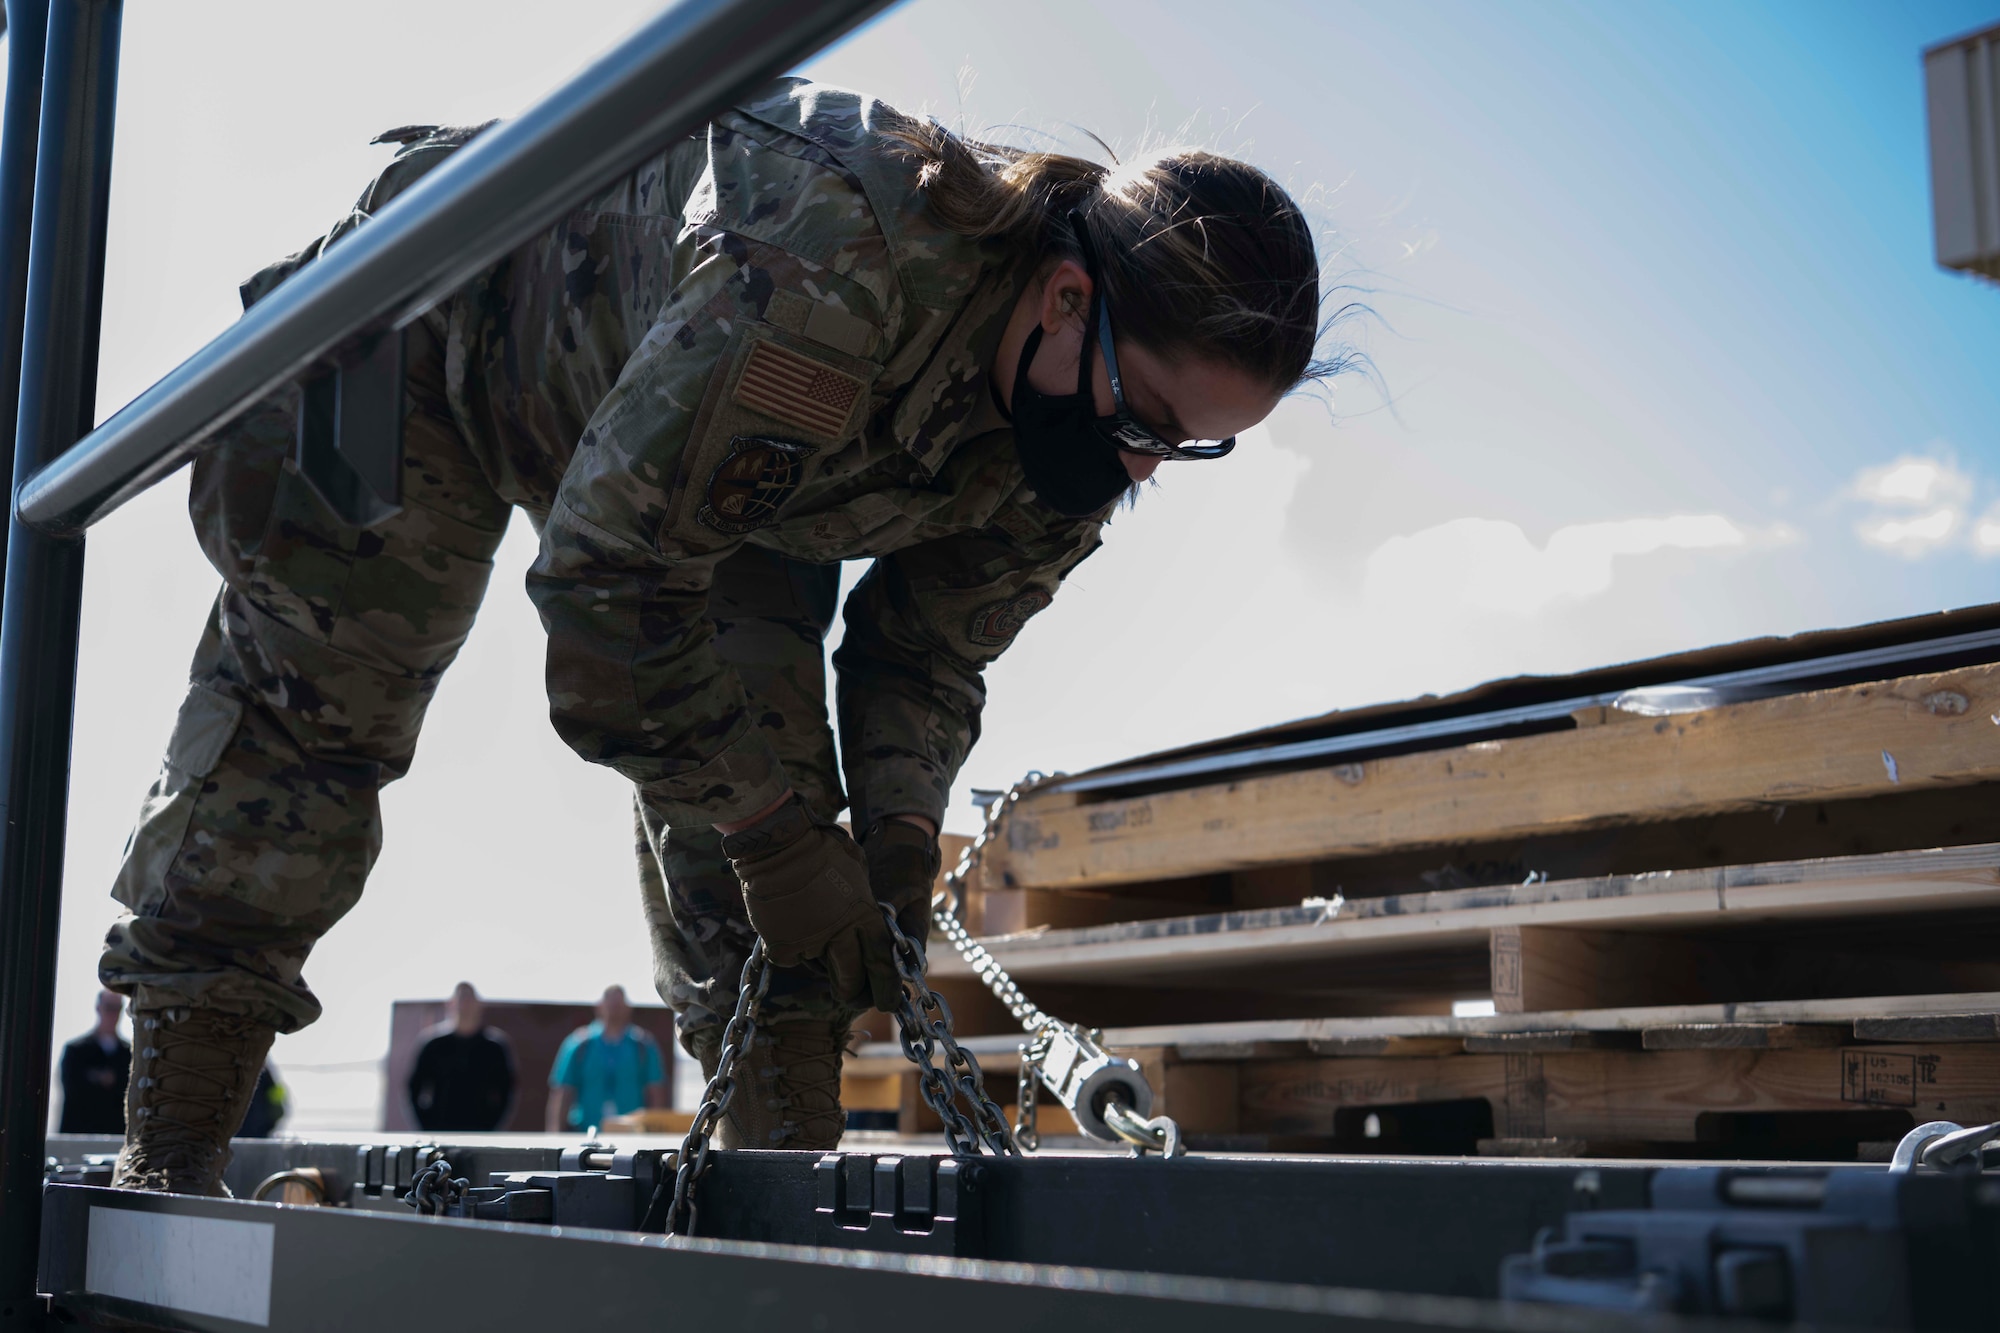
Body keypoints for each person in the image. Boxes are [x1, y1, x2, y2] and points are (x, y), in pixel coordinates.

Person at [97, 76, 1334, 1194]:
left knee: (784, 825)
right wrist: (773, 837)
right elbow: (603, 588)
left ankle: (784, 1200)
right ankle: (175, 1145)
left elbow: (928, 653)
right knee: (317, 715)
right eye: (1152, 419)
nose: (1145, 466)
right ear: (1069, 297)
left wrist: (894, 837)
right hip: (418, 329)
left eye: (1190, 446)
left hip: (707, 475)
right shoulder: (833, 264)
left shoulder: (1073, 438)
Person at [546, 986, 667, 1131]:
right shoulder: (579, 1044)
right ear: (599, 1007)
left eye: (618, 1005)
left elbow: (656, 1093)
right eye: (611, 1004)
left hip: (632, 1134)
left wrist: (654, 1134)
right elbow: (562, 1092)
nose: (614, 1010)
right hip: (586, 1132)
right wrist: (555, 1135)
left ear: (628, 1008)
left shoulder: (643, 1045)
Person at [407, 982, 517, 1132]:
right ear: (451, 1004)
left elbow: (507, 1091)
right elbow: (413, 1088)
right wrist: (425, 1125)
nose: (465, 1006)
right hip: (440, 1130)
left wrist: (492, 1127)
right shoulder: (433, 1044)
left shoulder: (494, 1047)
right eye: (461, 1000)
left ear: (479, 1005)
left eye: (469, 1000)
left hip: (479, 1131)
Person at [58, 990, 130, 1134]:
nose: (113, 1014)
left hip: (116, 1136)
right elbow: (73, 1090)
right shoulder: (76, 1050)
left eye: (117, 1009)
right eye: (109, 1008)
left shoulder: (129, 1053)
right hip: (79, 1135)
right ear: (99, 1008)